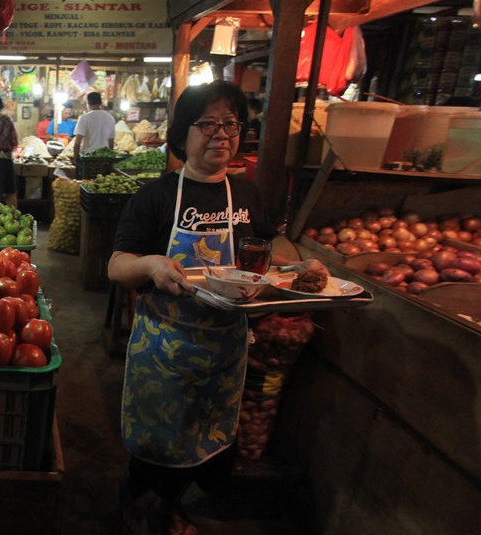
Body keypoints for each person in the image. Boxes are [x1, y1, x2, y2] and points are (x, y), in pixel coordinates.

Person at [107, 81, 326, 535]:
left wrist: (298, 261)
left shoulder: (247, 196)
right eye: (207, 123)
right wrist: (150, 263)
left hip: (225, 346)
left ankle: (171, 508)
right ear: (182, 135)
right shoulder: (156, 197)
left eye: (230, 124)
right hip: (166, 346)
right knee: (159, 444)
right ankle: (141, 505)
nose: (221, 134)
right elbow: (117, 266)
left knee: (207, 440)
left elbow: (270, 242)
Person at [73, 91, 116, 161]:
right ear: (100, 103)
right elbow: (111, 142)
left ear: (88, 103)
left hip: (87, 158)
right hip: (104, 157)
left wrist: (75, 159)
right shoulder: (110, 118)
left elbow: (78, 143)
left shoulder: (84, 118)